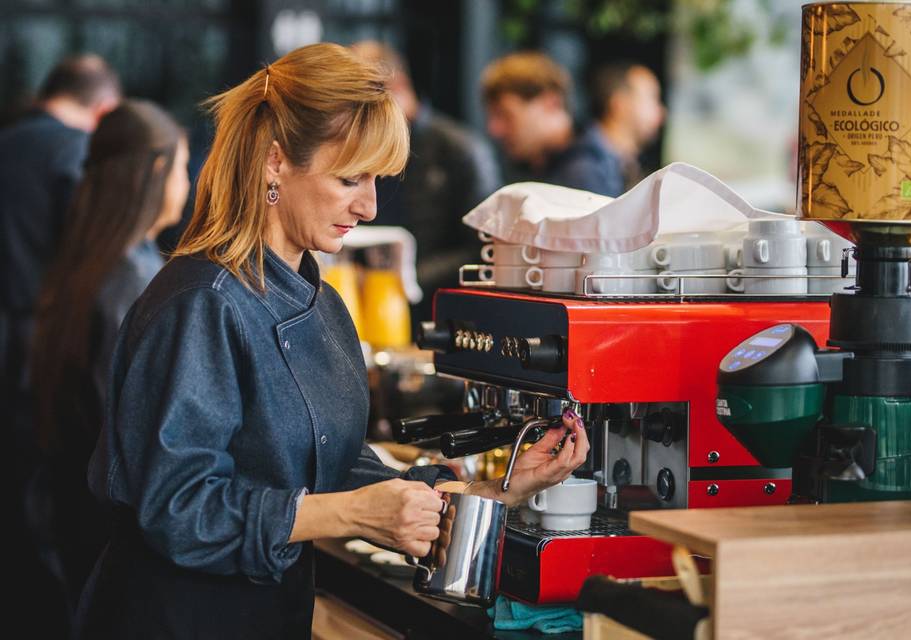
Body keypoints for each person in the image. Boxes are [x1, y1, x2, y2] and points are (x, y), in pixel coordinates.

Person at [79, 43, 587, 639]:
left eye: (376, 179)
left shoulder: (319, 300)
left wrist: (485, 490)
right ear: (275, 162)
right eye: (351, 178)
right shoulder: (201, 302)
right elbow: (177, 507)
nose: (369, 206)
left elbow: (338, 468)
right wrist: (347, 513)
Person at [28, 99, 190, 608]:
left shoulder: (89, 262)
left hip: (68, 514)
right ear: (157, 170)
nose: (187, 185)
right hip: (108, 534)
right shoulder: (134, 283)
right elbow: (139, 432)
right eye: (184, 168)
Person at [0, 53, 120, 637]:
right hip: (34, 339)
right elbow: (83, 252)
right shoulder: (70, 152)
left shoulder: (9, 140)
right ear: (103, 109)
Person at [351, 41, 501, 328]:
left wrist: (406, 276)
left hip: (447, 317)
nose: (357, 119)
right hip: (375, 308)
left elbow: (484, 249)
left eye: (363, 105)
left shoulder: (460, 150)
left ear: (398, 88)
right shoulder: (365, 148)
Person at [481, 51, 620, 196]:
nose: (494, 129)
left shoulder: (583, 176)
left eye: (506, 115)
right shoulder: (536, 164)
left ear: (551, 103)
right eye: (492, 116)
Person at [589, 62, 667, 192]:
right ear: (620, 105)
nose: (662, 112)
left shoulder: (623, 165)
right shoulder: (589, 169)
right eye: (652, 99)